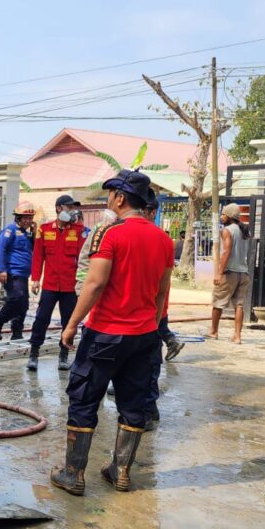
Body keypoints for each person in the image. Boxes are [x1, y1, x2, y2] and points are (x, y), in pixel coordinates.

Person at [49, 170, 174, 496]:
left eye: (110, 194)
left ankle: (73, 474)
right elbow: (162, 292)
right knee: (134, 404)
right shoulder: (163, 239)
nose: (108, 199)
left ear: (120, 197)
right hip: (145, 336)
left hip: (105, 333)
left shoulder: (110, 233)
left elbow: (95, 282)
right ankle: (120, 471)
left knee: (83, 398)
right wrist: (152, 325)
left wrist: (73, 323)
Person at [26, 195, 89, 372]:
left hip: (70, 286)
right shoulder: (44, 230)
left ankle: (63, 356)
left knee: (69, 322)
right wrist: (36, 279)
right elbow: (38, 257)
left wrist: (83, 283)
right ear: (58, 208)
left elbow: (84, 259)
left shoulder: (79, 230)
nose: (72, 211)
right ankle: (34, 354)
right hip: (50, 285)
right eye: (69, 208)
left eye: (73, 208)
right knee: (41, 319)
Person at [141, 190, 185, 430]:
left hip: (151, 309)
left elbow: (162, 284)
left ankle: (149, 407)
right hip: (147, 309)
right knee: (147, 359)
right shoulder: (157, 238)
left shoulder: (161, 240)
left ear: (152, 212)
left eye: (145, 210)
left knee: (149, 359)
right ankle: (148, 406)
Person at [0, 201, 37, 340]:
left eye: (30, 218)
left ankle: (17, 333)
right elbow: (1, 249)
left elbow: (35, 248)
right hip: (11, 274)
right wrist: (1, 270)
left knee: (23, 305)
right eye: (25, 218)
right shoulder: (9, 231)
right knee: (16, 299)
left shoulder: (27, 234)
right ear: (18, 217)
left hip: (23, 275)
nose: (28, 221)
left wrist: (34, 234)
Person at [210, 202, 251, 345]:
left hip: (230, 273)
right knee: (239, 305)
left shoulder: (227, 230)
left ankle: (213, 332)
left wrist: (219, 273)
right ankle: (237, 336)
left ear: (229, 216)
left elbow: (226, 252)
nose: (221, 217)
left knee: (218, 303)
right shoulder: (245, 231)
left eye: (223, 214)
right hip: (243, 273)